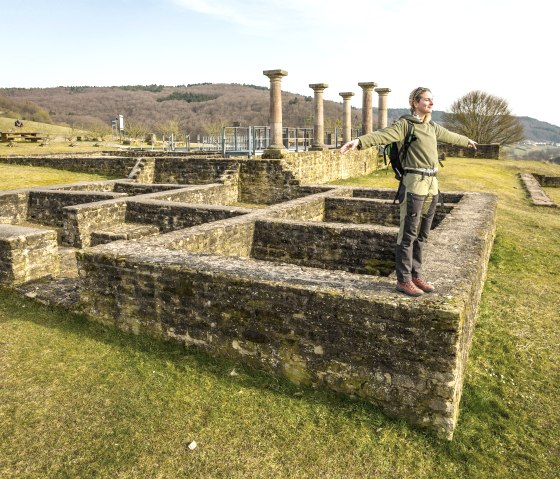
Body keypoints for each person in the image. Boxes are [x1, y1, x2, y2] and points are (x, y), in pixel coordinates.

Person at [340, 87, 478, 297]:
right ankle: (403, 279)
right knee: (408, 234)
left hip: (432, 185)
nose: (431, 103)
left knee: (423, 234)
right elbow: (383, 135)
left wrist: (466, 140)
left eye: (432, 100)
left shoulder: (431, 126)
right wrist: (359, 142)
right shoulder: (405, 125)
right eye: (426, 100)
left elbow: (450, 135)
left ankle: (416, 275)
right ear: (415, 103)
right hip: (415, 185)